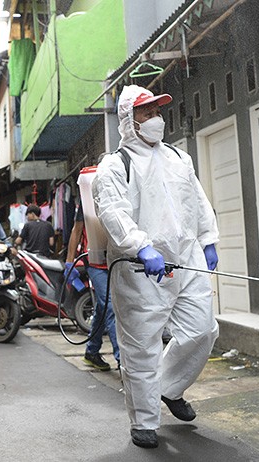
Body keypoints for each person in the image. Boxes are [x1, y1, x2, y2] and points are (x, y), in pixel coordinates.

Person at [92, 85, 220, 449]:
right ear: (129, 120)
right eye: (147, 113)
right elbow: (113, 213)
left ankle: (168, 387)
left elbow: (197, 199)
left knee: (202, 330)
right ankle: (145, 422)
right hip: (139, 267)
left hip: (186, 258)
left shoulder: (179, 157)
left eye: (158, 112)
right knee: (141, 347)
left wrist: (208, 239)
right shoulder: (115, 165)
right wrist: (141, 246)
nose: (156, 120)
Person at [65, 197, 120, 372]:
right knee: (110, 306)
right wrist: (69, 261)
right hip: (95, 262)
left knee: (102, 307)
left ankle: (92, 352)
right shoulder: (87, 198)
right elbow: (77, 230)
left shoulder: (118, 193)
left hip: (117, 259)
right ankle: (123, 361)